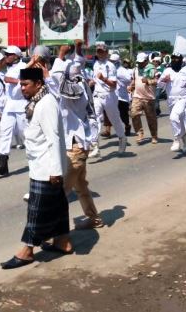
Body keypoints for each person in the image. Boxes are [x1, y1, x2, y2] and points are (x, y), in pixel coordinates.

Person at [0, 67, 71, 270]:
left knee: (36, 210)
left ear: (38, 84)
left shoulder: (46, 104)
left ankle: (27, 251)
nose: (22, 88)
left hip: (46, 168)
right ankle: (63, 242)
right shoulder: (37, 102)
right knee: (57, 206)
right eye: (21, 84)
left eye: (25, 84)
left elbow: (53, 138)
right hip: (41, 164)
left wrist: (56, 170)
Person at [50, 41, 104, 230]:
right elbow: (74, 67)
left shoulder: (74, 90)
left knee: (60, 192)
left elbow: (57, 77)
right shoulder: (81, 84)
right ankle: (94, 219)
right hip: (79, 144)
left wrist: (60, 54)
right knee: (81, 186)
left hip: (76, 147)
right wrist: (77, 50)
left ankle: (55, 233)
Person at [0, 46, 28, 176]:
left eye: (8, 54)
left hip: (21, 104)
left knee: (25, 133)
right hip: (9, 104)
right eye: (5, 54)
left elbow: (25, 82)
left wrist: (15, 80)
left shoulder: (24, 66)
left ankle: (38, 158)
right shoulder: (9, 68)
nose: (6, 56)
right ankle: (3, 164)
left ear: (16, 56)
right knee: (4, 132)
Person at [89, 42, 127, 157]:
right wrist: (92, 82)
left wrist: (103, 79)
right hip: (97, 95)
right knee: (94, 119)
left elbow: (114, 85)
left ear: (106, 52)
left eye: (102, 51)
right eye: (98, 51)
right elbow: (96, 79)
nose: (100, 54)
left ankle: (122, 138)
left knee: (114, 119)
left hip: (109, 95)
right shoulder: (96, 64)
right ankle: (95, 146)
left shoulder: (110, 66)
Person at [158, 53, 186, 153]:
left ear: (181, 60)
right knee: (178, 121)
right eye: (173, 59)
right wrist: (164, 80)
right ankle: (185, 140)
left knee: (173, 117)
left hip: (183, 98)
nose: (175, 61)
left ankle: (176, 140)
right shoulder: (167, 71)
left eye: (177, 59)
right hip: (171, 99)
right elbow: (159, 84)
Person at [129, 52, 159, 144]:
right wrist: (131, 86)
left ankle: (154, 136)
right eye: (138, 62)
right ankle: (139, 133)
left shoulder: (152, 69)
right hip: (137, 96)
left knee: (151, 118)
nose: (140, 64)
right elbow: (134, 80)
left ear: (146, 61)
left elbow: (157, 81)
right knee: (134, 113)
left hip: (149, 98)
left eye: (141, 62)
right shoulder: (135, 70)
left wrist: (148, 81)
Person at [111, 53, 134, 136]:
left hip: (122, 96)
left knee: (123, 115)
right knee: (114, 114)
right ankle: (118, 130)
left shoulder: (122, 71)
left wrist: (130, 86)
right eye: (111, 61)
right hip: (113, 95)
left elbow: (131, 79)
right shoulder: (109, 69)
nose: (112, 63)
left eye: (114, 61)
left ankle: (127, 125)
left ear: (118, 62)